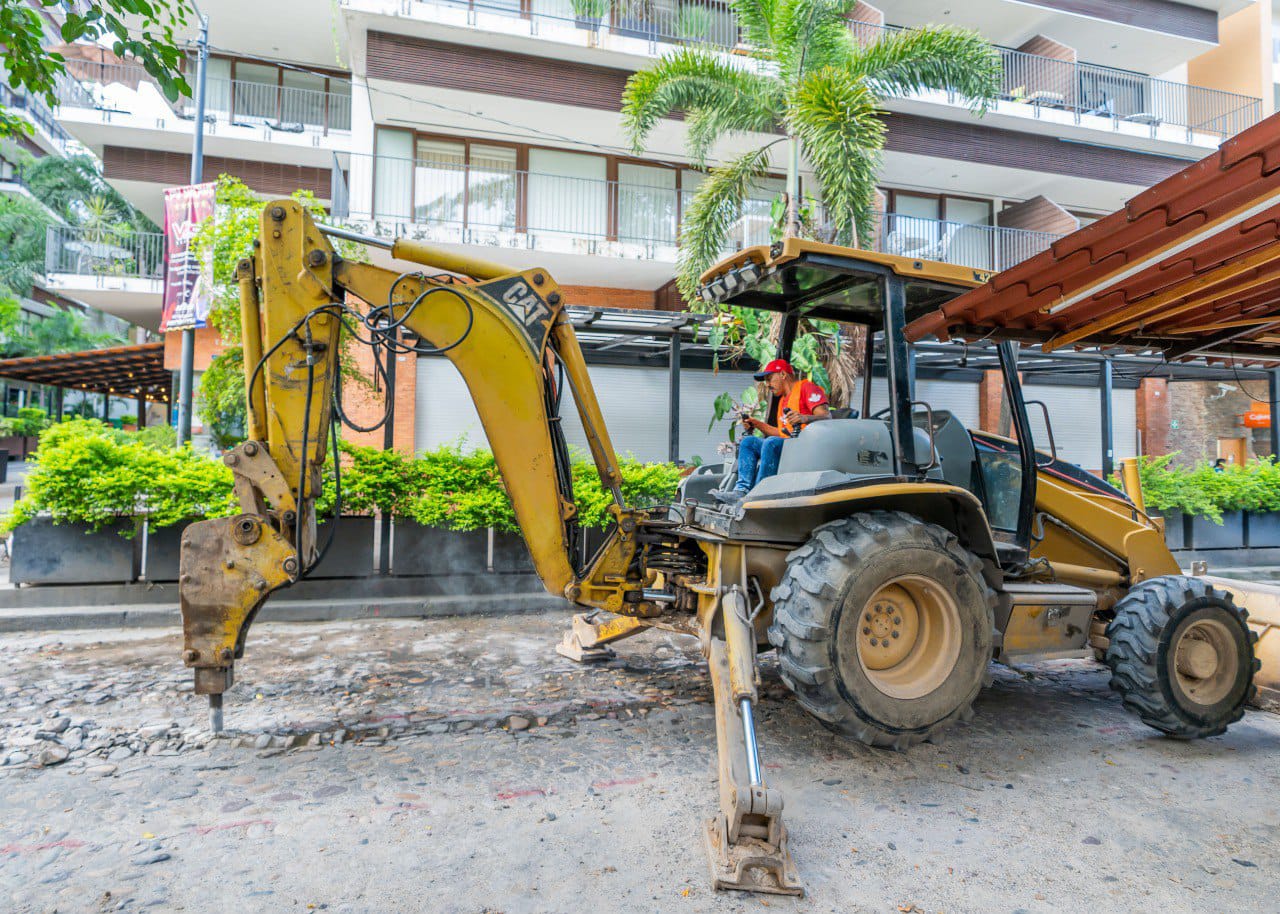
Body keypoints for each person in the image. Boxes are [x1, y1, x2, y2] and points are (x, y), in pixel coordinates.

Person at [714, 359, 830, 504]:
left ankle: (758, 493)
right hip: (789, 444)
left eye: (769, 379)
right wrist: (756, 423)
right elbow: (782, 433)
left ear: (782, 374)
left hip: (806, 447)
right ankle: (741, 491)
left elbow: (827, 416)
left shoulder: (807, 388)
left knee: (771, 443)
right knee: (749, 442)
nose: (767, 384)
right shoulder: (783, 400)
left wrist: (804, 418)